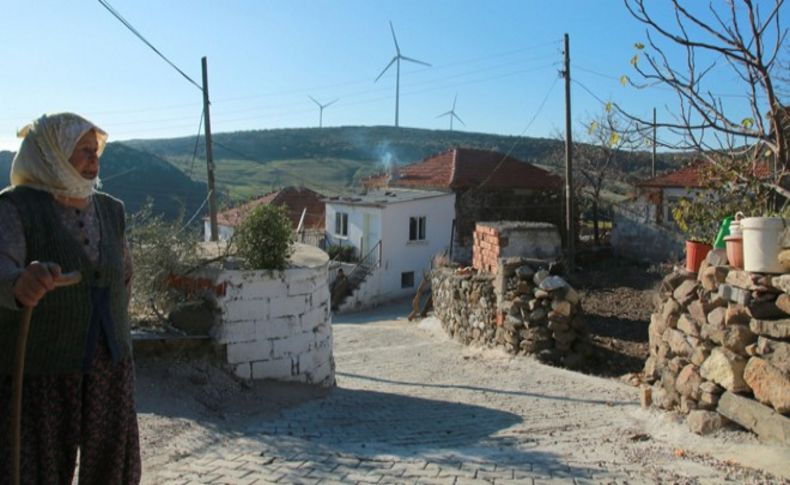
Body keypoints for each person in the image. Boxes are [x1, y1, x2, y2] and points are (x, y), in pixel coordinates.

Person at [0, 113, 140, 484]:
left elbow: (123, 274)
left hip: (109, 363)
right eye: (82, 151)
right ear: (52, 154)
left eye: (95, 152)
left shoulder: (112, 210)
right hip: (43, 365)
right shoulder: (15, 208)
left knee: (112, 465)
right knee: (39, 467)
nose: (93, 160)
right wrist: (18, 284)